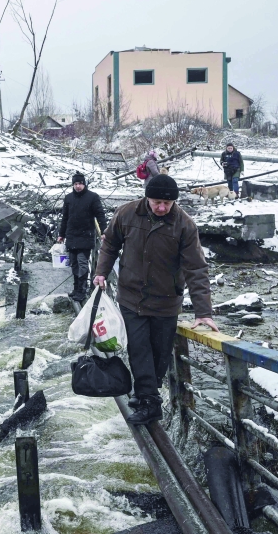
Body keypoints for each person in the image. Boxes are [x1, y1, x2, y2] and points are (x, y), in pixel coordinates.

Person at [92, 174, 218, 425]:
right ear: (147, 198)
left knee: (160, 354)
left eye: (167, 203)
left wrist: (203, 312)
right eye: (157, 202)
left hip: (166, 300)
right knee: (139, 349)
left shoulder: (184, 225)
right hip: (131, 297)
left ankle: (144, 393)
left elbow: (196, 268)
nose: (161, 207)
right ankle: (150, 403)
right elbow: (110, 244)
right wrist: (101, 272)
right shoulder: (126, 214)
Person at [57, 172, 107, 305]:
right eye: (75, 184)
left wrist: (104, 231)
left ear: (84, 184)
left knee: (82, 263)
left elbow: (100, 215)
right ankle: (76, 289)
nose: (78, 186)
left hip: (86, 235)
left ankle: (82, 290)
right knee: (74, 263)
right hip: (71, 235)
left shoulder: (92, 197)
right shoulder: (68, 198)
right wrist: (61, 234)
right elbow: (65, 218)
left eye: (80, 183)